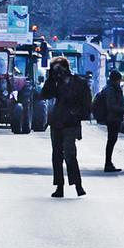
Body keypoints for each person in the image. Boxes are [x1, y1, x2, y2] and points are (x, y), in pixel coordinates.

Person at [41, 56, 92, 197]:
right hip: (57, 121)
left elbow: (87, 103)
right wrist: (51, 78)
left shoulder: (79, 83)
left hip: (71, 122)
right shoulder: (55, 83)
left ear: (66, 67)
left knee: (70, 153)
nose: (58, 71)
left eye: (59, 67)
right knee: (56, 155)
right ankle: (59, 186)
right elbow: (44, 94)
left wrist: (77, 114)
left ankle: (77, 184)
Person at [93, 69, 124, 173]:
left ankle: (109, 163)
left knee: (111, 141)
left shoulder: (110, 88)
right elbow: (111, 105)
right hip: (112, 118)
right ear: (117, 79)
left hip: (112, 118)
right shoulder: (111, 90)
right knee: (111, 141)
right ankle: (108, 163)